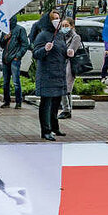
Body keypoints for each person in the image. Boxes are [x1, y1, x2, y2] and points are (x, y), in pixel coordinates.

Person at [32, 12, 71, 141]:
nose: (57, 20)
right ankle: (46, 131)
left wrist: (68, 53)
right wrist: (45, 49)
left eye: (58, 18)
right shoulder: (43, 35)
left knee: (56, 103)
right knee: (46, 104)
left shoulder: (60, 35)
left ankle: (55, 127)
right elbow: (36, 54)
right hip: (47, 75)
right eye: (54, 18)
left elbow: (61, 52)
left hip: (59, 74)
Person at [0, 15, 28, 109]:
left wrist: (18, 56)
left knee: (16, 82)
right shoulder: (4, 30)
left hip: (14, 59)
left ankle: (18, 102)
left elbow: (25, 45)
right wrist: (5, 38)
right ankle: (6, 101)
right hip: (5, 58)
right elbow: (2, 44)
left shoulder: (20, 30)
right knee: (5, 82)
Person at [58, 18, 81, 120]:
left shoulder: (75, 37)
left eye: (66, 25)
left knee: (66, 88)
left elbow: (70, 52)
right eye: (62, 26)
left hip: (70, 65)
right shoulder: (60, 36)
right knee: (65, 88)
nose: (64, 28)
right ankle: (67, 109)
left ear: (72, 26)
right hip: (61, 64)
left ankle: (66, 109)